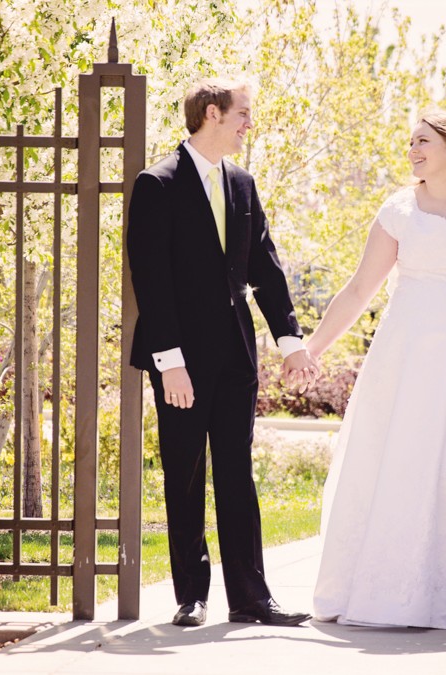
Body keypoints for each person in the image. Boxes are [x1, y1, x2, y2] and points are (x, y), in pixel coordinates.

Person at [308, 111, 446, 630]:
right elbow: (360, 289)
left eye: (423, 141)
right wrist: (312, 347)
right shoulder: (399, 211)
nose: (413, 150)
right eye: (410, 142)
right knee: (401, 461)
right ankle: (391, 590)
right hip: (403, 362)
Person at [127, 78, 318, 628]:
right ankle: (191, 595)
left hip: (237, 357)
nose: (248, 124)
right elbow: (152, 279)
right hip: (179, 361)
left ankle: (252, 599)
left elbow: (266, 266)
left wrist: (290, 341)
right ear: (212, 114)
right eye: (242, 114)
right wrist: (170, 362)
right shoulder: (157, 183)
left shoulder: (242, 183)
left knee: (237, 473)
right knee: (184, 473)